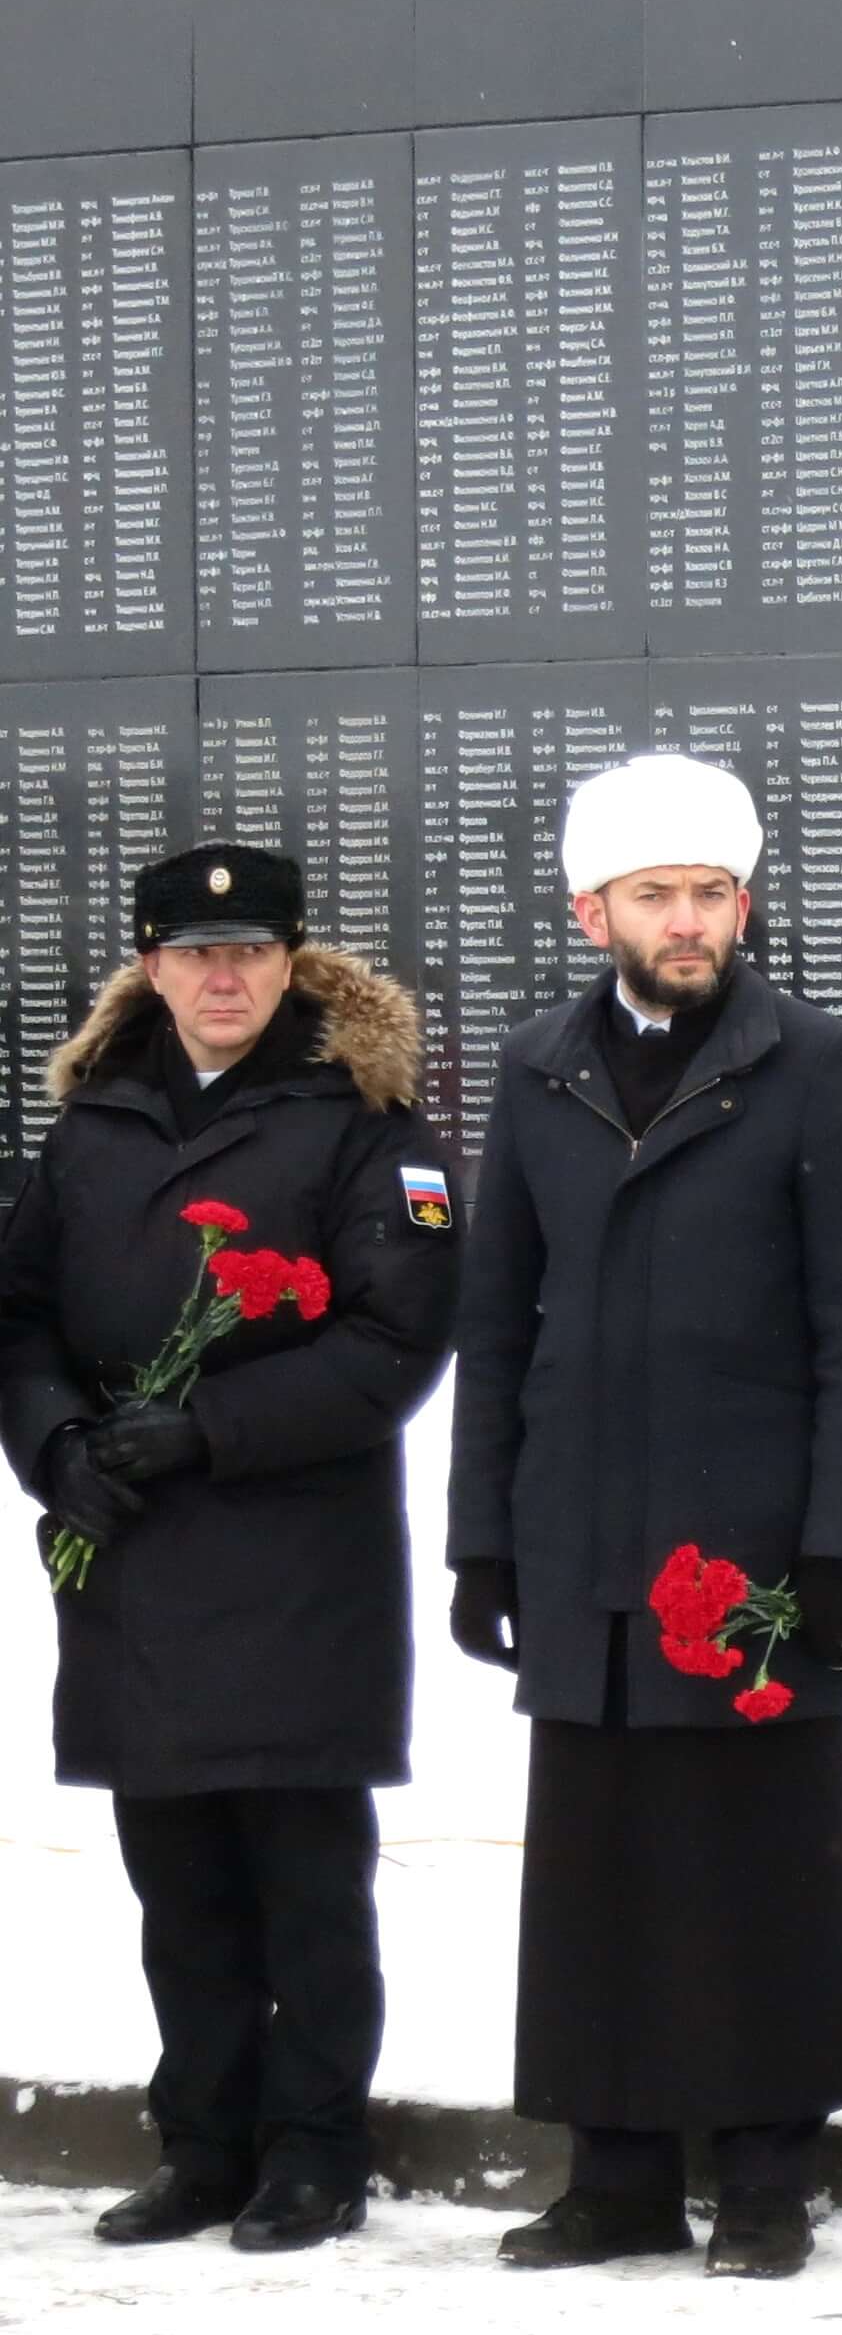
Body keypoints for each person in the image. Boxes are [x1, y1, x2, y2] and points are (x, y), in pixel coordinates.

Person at [444, 754, 842, 2283]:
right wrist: (482, 1539)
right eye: (659, 895)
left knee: (763, 1862)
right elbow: (499, 1323)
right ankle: (619, 2178)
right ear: (596, 910)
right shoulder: (535, 1073)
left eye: (713, 892)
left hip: (753, 1548)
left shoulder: (815, 1068)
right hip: (582, 1534)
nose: (691, 920)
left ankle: (771, 2178)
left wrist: (839, 1547)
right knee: (601, 1869)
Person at [0, 844, 457, 2255]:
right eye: (194, 954)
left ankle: (315, 2150)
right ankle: (202, 2145)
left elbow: (398, 1338)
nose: (221, 976)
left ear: (293, 962)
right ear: (147, 966)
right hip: (135, 1559)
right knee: (180, 1886)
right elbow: (17, 1319)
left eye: (250, 952)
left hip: (296, 1556)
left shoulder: (368, 1120)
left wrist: (210, 1427)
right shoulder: (92, 1127)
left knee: (306, 1887)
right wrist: (60, 1448)